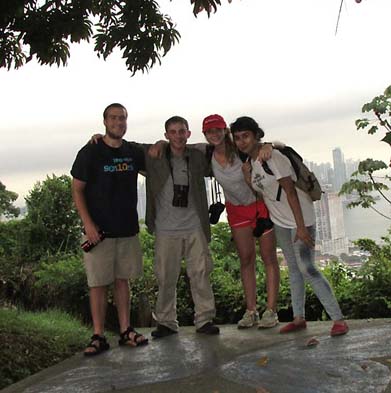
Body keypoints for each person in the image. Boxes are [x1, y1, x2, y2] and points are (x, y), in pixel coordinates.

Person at [231, 116, 349, 336]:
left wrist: (302, 227)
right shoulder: (251, 163)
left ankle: (338, 319)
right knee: (293, 269)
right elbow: (262, 191)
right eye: (237, 138)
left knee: (308, 268)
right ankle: (298, 317)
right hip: (280, 222)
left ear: (257, 135)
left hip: (300, 219)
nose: (241, 141)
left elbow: (290, 191)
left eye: (245, 136)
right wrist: (247, 176)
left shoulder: (272, 156)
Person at [71, 103, 148, 356]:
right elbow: (77, 189)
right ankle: (98, 335)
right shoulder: (90, 152)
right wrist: (88, 224)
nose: (118, 122)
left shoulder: (133, 151)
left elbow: (161, 152)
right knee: (98, 284)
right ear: (104, 121)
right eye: (113, 118)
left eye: (122, 118)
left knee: (122, 281)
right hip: (98, 232)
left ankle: (126, 330)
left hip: (126, 229)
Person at [199, 114, 280, 329]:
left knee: (268, 257)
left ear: (225, 130)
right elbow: (175, 147)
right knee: (246, 259)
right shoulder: (206, 153)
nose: (214, 135)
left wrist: (269, 145)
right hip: (236, 211)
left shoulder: (239, 148)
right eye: (209, 131)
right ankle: (251, 310)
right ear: (205, 135)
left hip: (259, 206)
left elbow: (269, 146)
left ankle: (271, 310)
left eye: (218, 130)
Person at [145, 116, 220, 338]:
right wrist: (98, 137)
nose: (178, 136)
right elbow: (125, 145)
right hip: (166, 228)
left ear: (188, 134)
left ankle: (204, 319)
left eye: (182, 131)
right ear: (166, 134)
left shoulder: (197, 157)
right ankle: (166, 322)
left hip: (194, 225)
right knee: (166, 276)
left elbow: (221, 147)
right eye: (173, 132)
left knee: (201, 274)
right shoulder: (154, 156)